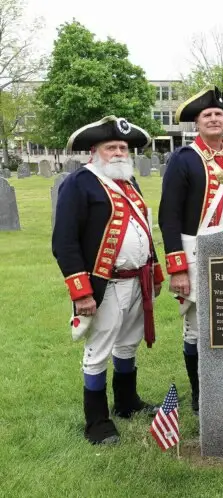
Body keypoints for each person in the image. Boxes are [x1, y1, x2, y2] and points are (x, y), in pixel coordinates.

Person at [52, 116, 165, 445]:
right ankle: (97, 422)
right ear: (95, 151)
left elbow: (145, 229)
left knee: (128, 344)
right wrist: (81, 291)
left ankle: (127, 403)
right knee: (98, 350)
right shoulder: (79, 183)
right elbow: (64, 242)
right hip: (104, 283)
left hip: (137, 280)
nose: (118, 152)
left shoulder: (129, 182)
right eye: (111, 147)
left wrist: (155, 271)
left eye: (122, 147)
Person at [158, 86, 223, 415]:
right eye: (207, 115)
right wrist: (177, 268)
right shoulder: (184, 159)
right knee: (196, 328)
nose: (213, 119)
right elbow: (168, 215)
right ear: (196, 123)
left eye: (218, 114)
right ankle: (200, 395)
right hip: (195, 254)